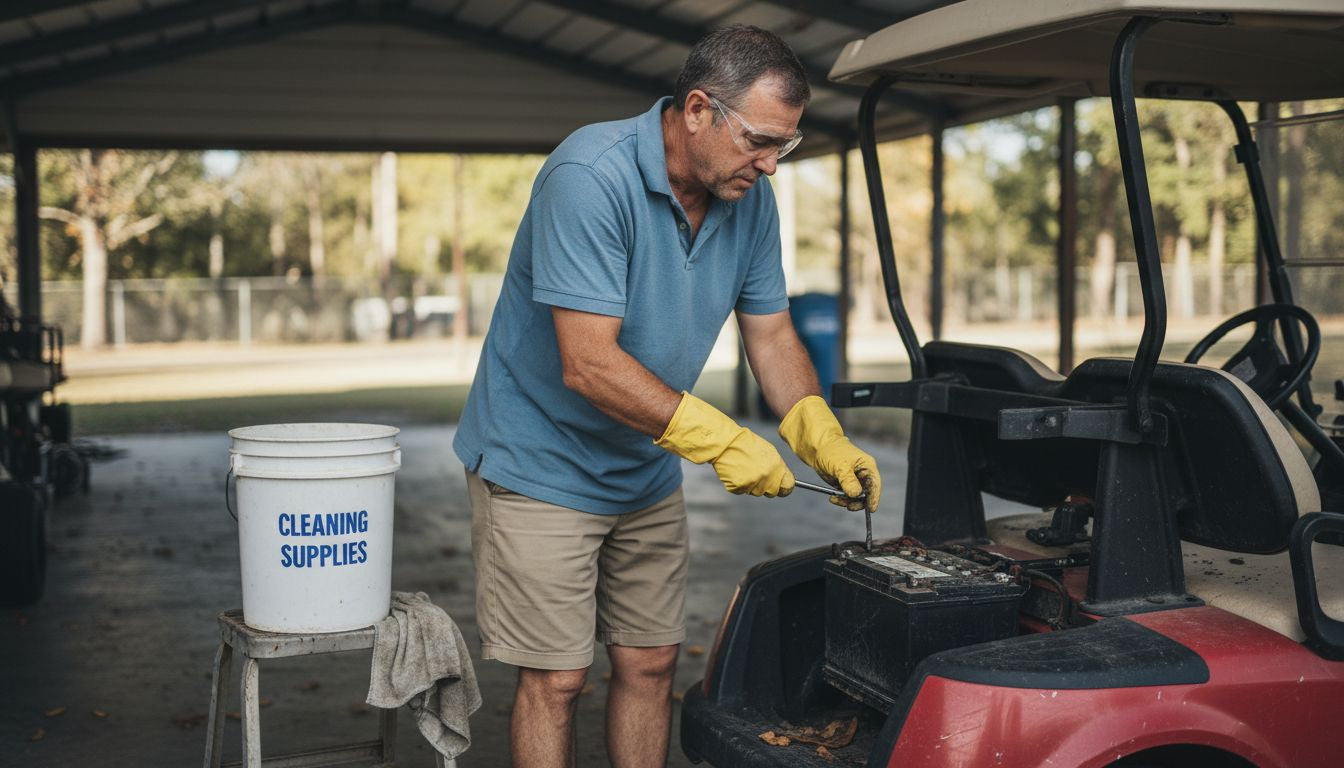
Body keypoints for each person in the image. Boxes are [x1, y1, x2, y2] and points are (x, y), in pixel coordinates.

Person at [453, 24, 882, 768]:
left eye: (785, 145)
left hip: (644, 468)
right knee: (557, 679)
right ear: (697, 110)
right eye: (759, 141)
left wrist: (818, 430)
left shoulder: (749, 199)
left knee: (651, 666)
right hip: (540, 464)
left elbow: (772, 335)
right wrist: (721, 440)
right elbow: (588, 363)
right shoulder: (589, 176)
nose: (770, 164)